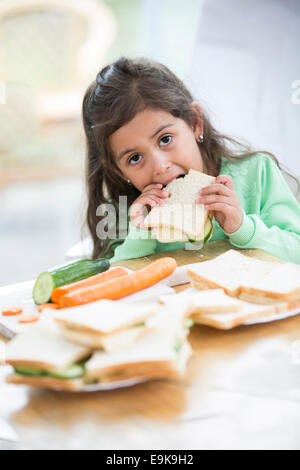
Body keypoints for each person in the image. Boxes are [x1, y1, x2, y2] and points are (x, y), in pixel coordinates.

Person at [82, 56, 300, 264]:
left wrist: (243, 228)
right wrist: (142, 232)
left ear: (195, 123)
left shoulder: (256, 173)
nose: (160, 165)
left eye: (165, 139)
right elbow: (113, 280)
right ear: (119, 171)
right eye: (135, 158)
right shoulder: (126, 211)